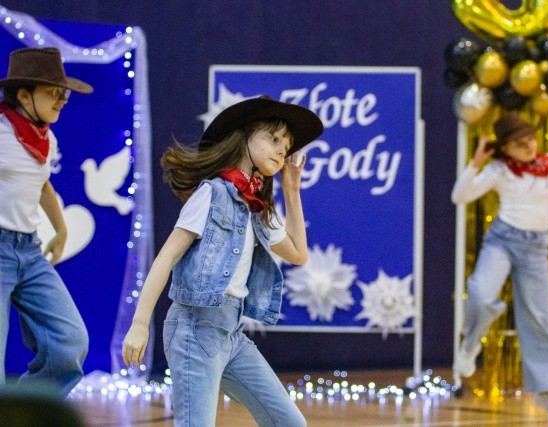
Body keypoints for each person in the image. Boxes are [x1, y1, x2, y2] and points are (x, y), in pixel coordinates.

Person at [122, 95, 323, 426]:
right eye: (274, 139)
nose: (281, 151)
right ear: (245, 136)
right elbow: (167, 256)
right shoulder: (212, 193)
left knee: (290, 423)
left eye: (286, 147)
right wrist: (140, 323)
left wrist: (292, 191)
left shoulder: (258, 210)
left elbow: (298, 253)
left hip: (232, 335)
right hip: (194, 330)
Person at [451, 112, 548, 421]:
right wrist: (476, 164)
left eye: (531, 140)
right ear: (506, 148)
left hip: (536, 248)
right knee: (480, 293)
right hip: (502, 240)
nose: (529, 147)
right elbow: (459, 196)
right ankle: (469, 347)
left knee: (538, 318)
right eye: (520, 143)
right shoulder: (499, 171)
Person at [0, 47, 93, 397]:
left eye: (64, 94)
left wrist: (61, 229)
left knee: (69, 342)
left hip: (29, 251)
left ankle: (23, 414)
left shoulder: (45, 138)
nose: (62, 101)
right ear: (24, 96)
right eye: (54, 93)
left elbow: (41, 183)